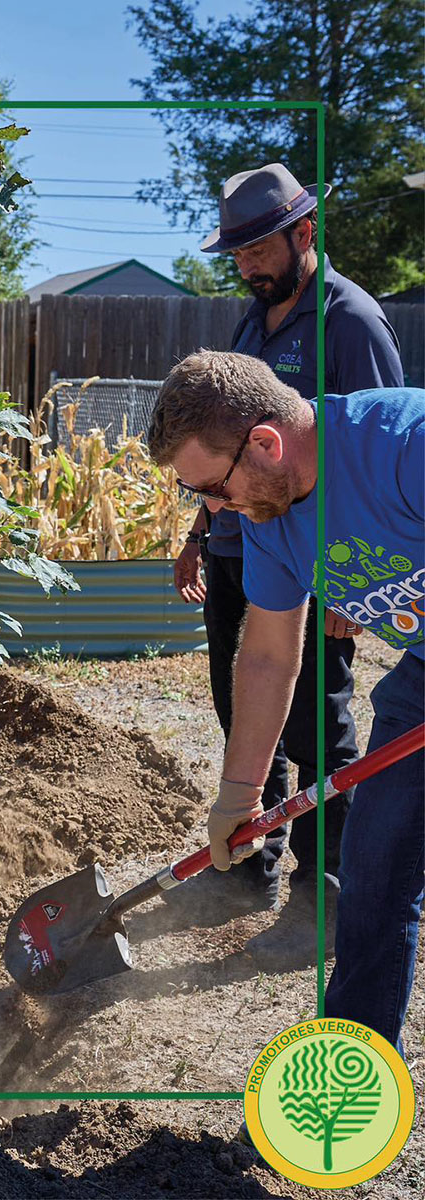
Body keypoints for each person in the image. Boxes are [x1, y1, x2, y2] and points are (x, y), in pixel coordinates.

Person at [148, 349, 423, 1051]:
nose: (211, 510)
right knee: (373, 877)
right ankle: (348, 1081)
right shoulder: (269, 517)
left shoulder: (405, 447)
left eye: (213, 487)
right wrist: (237, 796)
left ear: (265, 443)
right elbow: (269, 657)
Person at [171, 163, 404, 959]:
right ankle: (251, 861)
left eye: (257, 249)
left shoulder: (351, 323)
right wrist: (202, 530)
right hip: (246, 541)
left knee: (322, 721)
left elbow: (364, 459)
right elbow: (215, 443)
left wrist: (353, 582)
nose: (245, 266)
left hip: (322, 561)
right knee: (246, 699)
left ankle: (327, 886)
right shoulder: (251, 323)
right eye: (235, 254)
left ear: (305, 234)